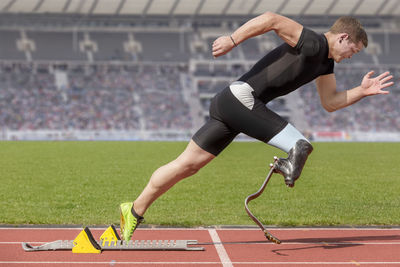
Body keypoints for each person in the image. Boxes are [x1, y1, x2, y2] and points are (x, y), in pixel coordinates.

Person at [119, 12, 394, 241]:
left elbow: (330, 102)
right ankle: (285, 165)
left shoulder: (325, 64)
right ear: (344, 37)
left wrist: (361, 90)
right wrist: (231, 39)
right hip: (241, 98)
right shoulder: (313, 42)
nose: (351, 56)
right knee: (300, 146)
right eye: (352, 50)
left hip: (233, 104)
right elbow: (272, 19)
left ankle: (133, 210)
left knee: (187, 165)